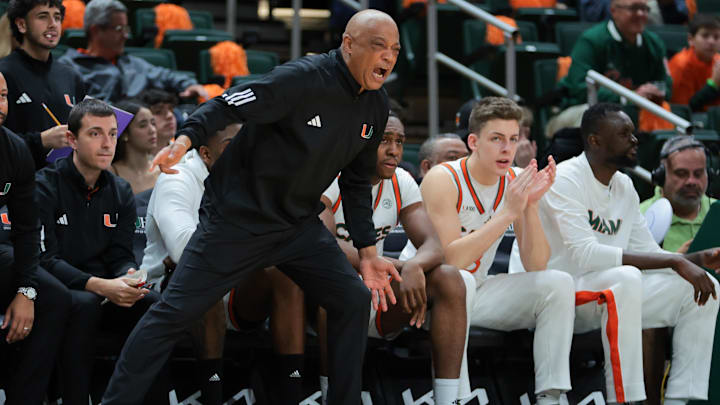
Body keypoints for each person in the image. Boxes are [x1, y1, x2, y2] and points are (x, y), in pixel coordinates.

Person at [101, 9, 402, 405]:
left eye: (395, 50)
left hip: (296, 225)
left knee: (352, 298)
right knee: (173, 313)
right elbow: (229, 103)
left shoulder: (376, 106)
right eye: (377, 46)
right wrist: (186, 138)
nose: (388, 57)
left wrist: (367, 254)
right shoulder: (302, 78)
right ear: (348, 45)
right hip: (238, 220)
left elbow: (358, 181)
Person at [538, 102, 720, 405]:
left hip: (614, 294)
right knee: (625, 279)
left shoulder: (623, 185)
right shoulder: (565, 178)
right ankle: (626, 399)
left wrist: (698, 260)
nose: (635, 140)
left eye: (633, 133)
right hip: (566, 294)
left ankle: (680, 399)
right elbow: (585, 255)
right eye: (624, 134)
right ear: (595, 140)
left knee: (705, 288)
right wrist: (675, 260)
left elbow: (647, 253)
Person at [421, 97, 575, 405]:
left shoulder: (515, 180)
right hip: (432, 297)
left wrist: (529, 205)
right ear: (474, 141)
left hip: (479, 290)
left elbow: (536, 264)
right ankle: (455, 398)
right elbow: (452, 260)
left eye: (513, 139)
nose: (507, 149)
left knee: (558, 283)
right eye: (497, 139)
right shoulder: (443, 178)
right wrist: (507, 213)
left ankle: (550, 397)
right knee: (459, 279)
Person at [319, 112, 472, 405]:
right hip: (322, 296)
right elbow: (325, 244)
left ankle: (448, 399)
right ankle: (331, 395)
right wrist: (402, 266)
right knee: (339, 287)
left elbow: (433, 246)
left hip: (377, 293)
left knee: (449, 278)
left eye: (400, 142)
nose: (394, 150)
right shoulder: (330, 175)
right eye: (384, 140)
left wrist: (415, 265)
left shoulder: (401, 180)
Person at [35, 98, 162, 405]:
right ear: (71, 139)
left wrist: (128, 277)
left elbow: (120, 254)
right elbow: (45, 260)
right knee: (84, 304)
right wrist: (100, 285)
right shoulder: (44, 186)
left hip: (105, 287)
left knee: (156, 306)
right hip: (59, 290)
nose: (107, 144)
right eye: (95, 134)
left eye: (113, 134)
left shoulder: (120, 190)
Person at [0, 71, 71, 405]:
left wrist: (25, 291)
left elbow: (27, 229)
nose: (0, 105)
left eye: (2, 96)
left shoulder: (14, 150)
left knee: (54, 297)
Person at [549, 0, 671, 136]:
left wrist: (656, 91)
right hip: (576, 109)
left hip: (633, 112)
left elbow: (667, 85)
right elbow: (580, 89)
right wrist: (631, 97)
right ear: (614, 11)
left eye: (644, 8)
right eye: (634, 8)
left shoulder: (654, 44)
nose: (640, 14)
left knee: (664, 113)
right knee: (593, 116)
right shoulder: (592, 40)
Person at [58, 0, 207, 102]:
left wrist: (189, 84)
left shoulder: (134, 64)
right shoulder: (70, 67)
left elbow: (166, 76)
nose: (126, 35)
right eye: (119, 29)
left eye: (126, 28)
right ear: (96, 30)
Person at [0, 0, 86, 169]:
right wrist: (41, 141)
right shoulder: (3, 73)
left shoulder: (71, 75)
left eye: (57, 17)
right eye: (42, 17)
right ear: (22, 24)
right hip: (19, 180)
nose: (52, 24)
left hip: (67, 180)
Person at [641, 135, 716, 253]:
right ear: (661, 177)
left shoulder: (717, 211)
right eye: (681, 174)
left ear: (709, 175)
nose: (691, 182)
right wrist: (676, 261)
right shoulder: (640, 218)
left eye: (698, 174)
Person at [668, 14, 720, 112]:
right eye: (705, 36)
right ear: (690, 40)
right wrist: (713, 84)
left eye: (716, 37)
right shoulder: (680, 65)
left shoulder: (718, 60)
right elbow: (683, 110)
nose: (711, 41)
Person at [110, 99, 159, 195]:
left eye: (153, 123)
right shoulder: (110, 174)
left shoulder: (162, 171)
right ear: (125, 134)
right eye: (143, 125)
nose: (152, 130)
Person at [138, 89, 178, 154]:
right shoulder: (133, 161)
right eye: (158, 111)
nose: (170, 115)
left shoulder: (186, 154)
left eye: (171, 109)